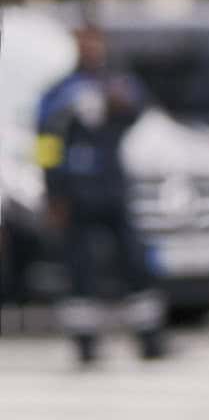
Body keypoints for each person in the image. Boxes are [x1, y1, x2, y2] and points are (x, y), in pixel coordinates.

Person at [34, 20, 165, 367]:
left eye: (96, 42)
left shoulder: (118, 84)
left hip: (112, 188)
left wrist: (118, 104)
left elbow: (139, 110)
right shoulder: (60, 92)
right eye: (85, 42)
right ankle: (85, 343)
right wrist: (52, 190)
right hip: (75, 192)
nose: (91, 49)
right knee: (80, 268)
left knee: (134, 263)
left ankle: (150, 336)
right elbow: (45, 144)